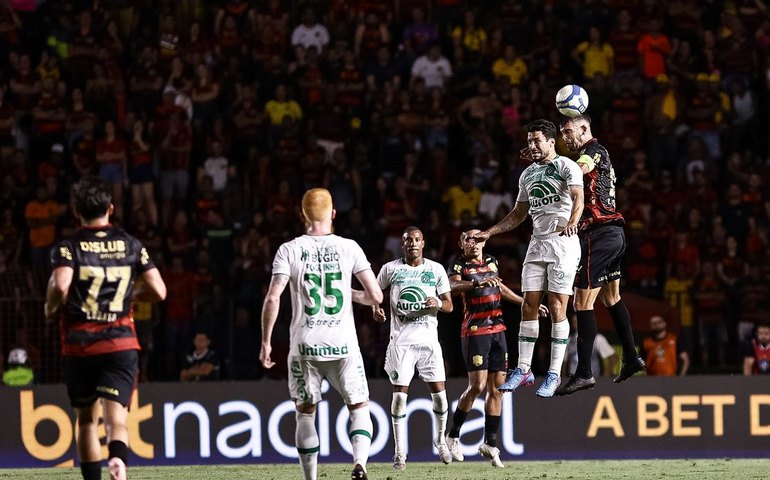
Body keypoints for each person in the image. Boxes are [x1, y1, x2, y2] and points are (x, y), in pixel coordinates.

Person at [44, 176, 167, 480]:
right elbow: (160, 292)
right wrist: (132, 294)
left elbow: (60, 285)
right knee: (117, 419)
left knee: (86, 421)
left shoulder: (68, 248)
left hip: (81, 345)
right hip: (121, 344)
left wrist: (50, 307)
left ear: (77, 212)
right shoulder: (131, 244)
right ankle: (118, 460)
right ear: (111, 209)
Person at [259, 188, 383, 480]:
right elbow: (375, 294)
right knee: (358, 406)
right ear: (333, 213)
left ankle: (311, 478)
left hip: (304, 345)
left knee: (305, 412)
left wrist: (266, 342)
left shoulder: (289, 249)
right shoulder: (349, 247)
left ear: (303, 215)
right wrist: (352, 294)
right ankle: (360, 464)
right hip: (343, 344)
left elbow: (272, 298)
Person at [474, 119, 585, 398]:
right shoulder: (527, 175)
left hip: (563, 244)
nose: (532, 146)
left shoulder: (567, 167)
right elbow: (518, 214)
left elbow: (578, 197)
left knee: (558, 308)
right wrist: (490, 232)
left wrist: (573, 220)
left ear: (551, 142)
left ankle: (554, 373)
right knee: (529, 306)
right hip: (537, 244)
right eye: (529, 141)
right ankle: (524, 369)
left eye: (537, 141)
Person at [555, 114, 646, 396]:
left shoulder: (593, 151)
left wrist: (547, 163)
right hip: (613, 234)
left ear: (584, 128)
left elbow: (578, 169)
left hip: (600, 233)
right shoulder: (594, 152)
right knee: (611, 297)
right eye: (562, 132)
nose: (565, 137)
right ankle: (631, 358)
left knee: (581, 302)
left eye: (568, 131)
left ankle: (583, 373)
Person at [445, 229, 547, 468]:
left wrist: (526, 303)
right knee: (477, 386)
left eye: (477, 237)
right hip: (475, 331)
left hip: (498, 330)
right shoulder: (459, 265)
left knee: (498, 390)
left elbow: (499, 288)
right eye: (468, 238)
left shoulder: (491, 261)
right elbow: (452, 286)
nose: (473, 241)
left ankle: (490, 444)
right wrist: (477, 282)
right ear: (462, 244)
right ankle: (453, 435)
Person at [373, 226, 454, 470]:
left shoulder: (435, 269)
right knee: (399, 398)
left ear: (423, 243)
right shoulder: (391, 269)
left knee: (440, 397)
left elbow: (449, 305)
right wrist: (375, 309)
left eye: (417, 240)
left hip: (429, 342)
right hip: (402, 343)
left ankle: (440, 440)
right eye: (408, 240)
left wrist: (438, 302)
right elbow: (375, 293)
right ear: (402, 244)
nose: (413, 244)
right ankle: (400, 452)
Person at [563, 313, 618, 379]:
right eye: (574, 322)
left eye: (578, 321)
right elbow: (564, 362)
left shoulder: (597, 338)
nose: (576, 324)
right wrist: (563, 379)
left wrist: (604, 377)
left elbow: (613, 357)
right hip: (572, 381)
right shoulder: (569, 340)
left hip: (593, 381)